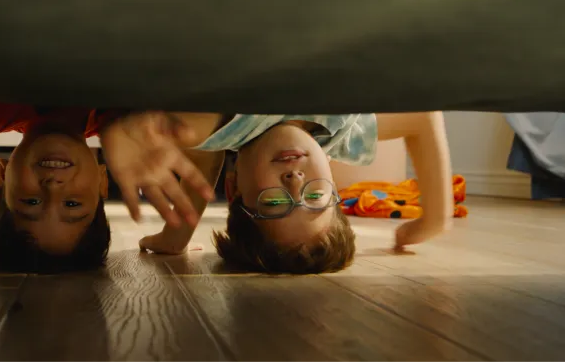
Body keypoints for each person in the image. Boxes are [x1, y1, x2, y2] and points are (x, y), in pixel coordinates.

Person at [0, 96, 212, 272]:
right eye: (72, 205)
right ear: (100, 183)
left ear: (1, 177)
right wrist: (175, 235)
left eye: (30, 203)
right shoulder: (124, 118)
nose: (52, 187)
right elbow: (211, 152)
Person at [127, 111, 453, 274]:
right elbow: (424, 116)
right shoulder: (344, 133)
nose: (295, 180)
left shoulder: (212, 126)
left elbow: (204, 151)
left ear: (234, 186)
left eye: (275, 202)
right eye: (315, 197)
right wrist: (436, 218)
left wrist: (177, 234)